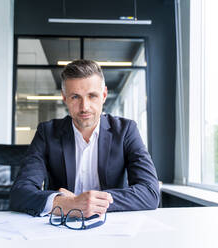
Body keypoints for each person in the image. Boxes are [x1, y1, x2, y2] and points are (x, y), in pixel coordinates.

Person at [10, 59, 159, 218]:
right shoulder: (47, 133)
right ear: (64, 97)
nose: (84, 107)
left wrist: (90, 203)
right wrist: (67, 204)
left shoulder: (126, 131)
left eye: (92, 96)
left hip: (111, 225)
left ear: (104, 95)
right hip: (60, 227)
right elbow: (20, 193)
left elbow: (150, 192)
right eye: (75, 97)